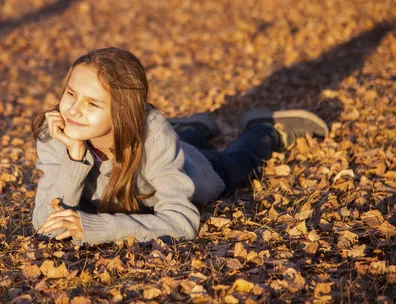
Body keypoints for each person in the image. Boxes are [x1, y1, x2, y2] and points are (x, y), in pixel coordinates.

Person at [32, 47, 328, 245]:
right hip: (165, 143)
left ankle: (265, 127)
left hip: (193, 169)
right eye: (70, 93)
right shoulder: (58, 131)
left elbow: (182, 221)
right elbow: (45, 224)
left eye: (92, 103)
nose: (73, 110)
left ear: (124, 112)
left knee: (240, 163)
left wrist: (96, 228)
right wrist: (75, 155)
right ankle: (195, 125)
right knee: (177, 136)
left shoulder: (153, 134)